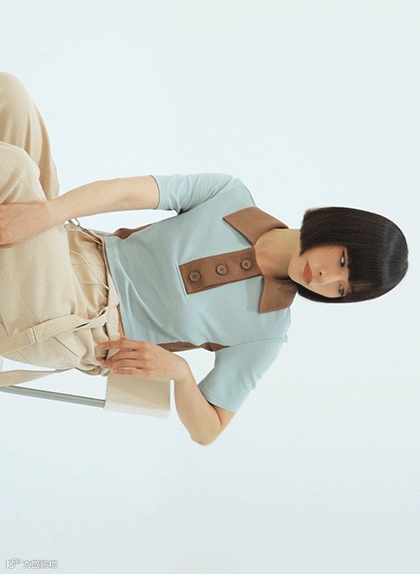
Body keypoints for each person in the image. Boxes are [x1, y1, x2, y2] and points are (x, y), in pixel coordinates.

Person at [0, 73, 408, 445]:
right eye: (341, 261)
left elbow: (208, 429)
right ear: (333, 227)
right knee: (9, 94)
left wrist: (179, 373)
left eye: (341, 289)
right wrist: (46, 215)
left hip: (75, 321)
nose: (324, 278)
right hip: (70, 245)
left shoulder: (266, 332)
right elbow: (125, 192)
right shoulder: (228, 196)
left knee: (14, 171)